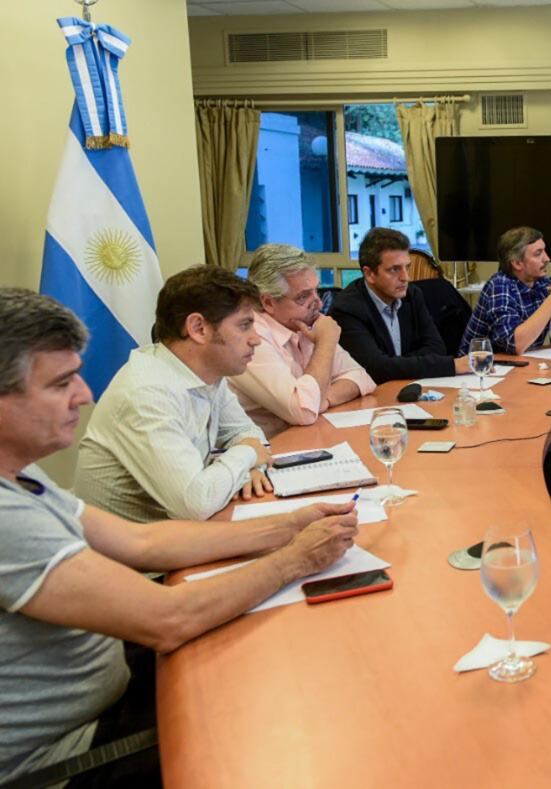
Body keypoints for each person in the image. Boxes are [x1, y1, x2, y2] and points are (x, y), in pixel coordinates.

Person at [0, 288, 358, 785]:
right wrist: (294, 560)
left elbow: (144, 543)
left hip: (114, 674)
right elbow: (169, 618)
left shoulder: (20, 476)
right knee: (281, 725)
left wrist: (287, 528)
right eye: (61, 384)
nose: (84, 395)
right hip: (67, 754)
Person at [76, 266, 274, 524]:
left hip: (178, 537)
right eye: (244, 325)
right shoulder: (146, 393)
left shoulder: (207, 374)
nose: (256, 339)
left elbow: (248, 434)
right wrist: (247, 456)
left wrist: (251, 469)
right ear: (198, 328)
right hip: (133, 559)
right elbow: (194, 505)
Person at [229, 244, 376, 437]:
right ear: (268, 302)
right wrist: (326, 342)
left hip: (306, 438)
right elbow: (304, 411)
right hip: (268, 449)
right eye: (303, 296)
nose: (319, 303)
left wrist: (323, 400)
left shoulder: (304, 323)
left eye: (317, 291)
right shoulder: (251, 336)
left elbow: (362, 377)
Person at [329, 228, 471, 381]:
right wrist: (450, 366)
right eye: (394, 269)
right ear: (369, 274)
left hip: (407, 388)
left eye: (407, 267)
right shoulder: (347, 309)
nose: (405, 277)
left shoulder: (412, 294)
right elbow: (375, 369)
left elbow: (437, 348)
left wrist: (395, 365)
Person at [458, 226, 551, 356]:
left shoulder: (542, 283)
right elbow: (515, 345)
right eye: (538, 254)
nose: (547, 258)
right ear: (517, 263)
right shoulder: (499, 285)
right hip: (479, 369)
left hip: (519, 365)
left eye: (545, 251)